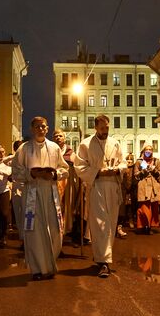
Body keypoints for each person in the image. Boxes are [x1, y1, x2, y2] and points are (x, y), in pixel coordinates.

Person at [12, 117, 69, 280]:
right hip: (32, 192)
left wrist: (54, 174)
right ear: (32, 129)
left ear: (47, 128)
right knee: (34, 232)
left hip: (50, 191)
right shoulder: (23, 149)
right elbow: (15, 171)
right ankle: (37, 269)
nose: (40, 129)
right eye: (37, 126)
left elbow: (65, 169)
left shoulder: (54, 148)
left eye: (43, 126)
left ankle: (50, 265)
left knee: (55, 230)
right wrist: (31, 174)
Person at [74, 114, 126, 278]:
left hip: (113, 186)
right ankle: (104, 262)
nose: (105, 131)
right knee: (100, 223)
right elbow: (80, 166)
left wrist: (118, 169)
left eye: (107, 128)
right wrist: (98, 172)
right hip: (97, 186)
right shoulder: (86, 144)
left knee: (111, 223)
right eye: (102, 128)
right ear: (95, 127)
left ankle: (104, 257)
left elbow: (123, 162)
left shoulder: (115, 143)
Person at [52, 128, 78, 235]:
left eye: (60, 136)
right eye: (56, 136)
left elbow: (76, 167)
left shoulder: (70, 152)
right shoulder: (51, 150)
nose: (58, 138)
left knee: (66, 204)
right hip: (54, 181)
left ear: (64, 138)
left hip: (67, 182)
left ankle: (66, 228)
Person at [134, 144, 160, 235]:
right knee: (144, 207)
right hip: (143, 185)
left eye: (150, 149)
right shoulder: (140, 161)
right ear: (143, 151)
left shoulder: (156, 161)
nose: (149, 151)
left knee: (153, 207)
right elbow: (136, 175)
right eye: (147, 149)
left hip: (154, 186)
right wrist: (144, 170)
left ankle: (150, 226)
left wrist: (154, 170)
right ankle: (144, 226)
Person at [117, 153, 136, 237]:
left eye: (130, 160)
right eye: (127, 160)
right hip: (123, 190)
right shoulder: (123, 169)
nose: (129, 162)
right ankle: (121, 223)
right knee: (122, 207)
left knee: (131, 207)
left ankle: (131, 220)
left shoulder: (134, 168)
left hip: (132, 190)